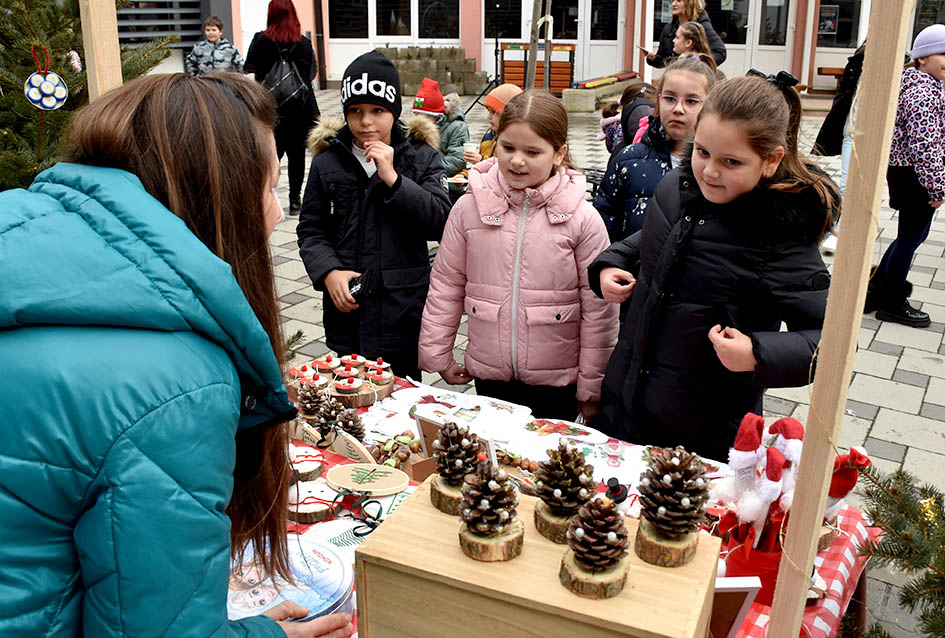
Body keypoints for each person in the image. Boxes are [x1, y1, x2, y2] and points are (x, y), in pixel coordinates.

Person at [0, 73, 352, 638]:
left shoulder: (22, 229)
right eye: (267, 188)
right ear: (222, 199)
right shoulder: (176, 383)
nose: (276, 215)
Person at [591, 73, 839, 462]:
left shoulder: (780, 237)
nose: (709, 171)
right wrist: (614, 260)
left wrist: (758, 353)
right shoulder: (676, 188)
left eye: (731, 162)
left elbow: (834, 341)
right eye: (702, 152)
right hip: (625, 403)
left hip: (702, 434)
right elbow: (655, 235)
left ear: (771, 161)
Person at [418, 90, 618, 422]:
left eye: (533, 151)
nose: (517, 160)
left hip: (557, 383)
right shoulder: (469, 208)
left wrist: (592, 387)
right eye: (508, 147)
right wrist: (438, 354)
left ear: (559, 153)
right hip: (490, 375)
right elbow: (446, 284)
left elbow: (599, 310)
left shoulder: (583, 219)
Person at [297, 51, 450, 380]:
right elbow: (311, 230)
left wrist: (395, 179)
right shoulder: (328, 162)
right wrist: (328, 272)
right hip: (347, 314)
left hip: (401, 313)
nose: (366, 122)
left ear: (394, 111)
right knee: (351, 401)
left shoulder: (421, 157)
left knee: (402, 403)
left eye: (377, 111)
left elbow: (441, 221)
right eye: (355, 111)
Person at [868, 25, 945, 328]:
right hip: (915, 174)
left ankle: (878, 288)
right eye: (942, 53)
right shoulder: (922, 92)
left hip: (913, 173)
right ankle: (892, 301)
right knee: (911, 237)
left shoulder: (929, 85)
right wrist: (937, 186)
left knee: (910, 236)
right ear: (923, 58)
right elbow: (925, 146)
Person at [595, 56, 716, 244]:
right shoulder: (628, 160)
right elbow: (602, 227)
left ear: (710, 105)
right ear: (658, 102)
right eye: (670, 98)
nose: (678, 109)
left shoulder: (719, 169)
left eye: (691, 101)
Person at [245, 0, 321, 215]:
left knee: (270, 155)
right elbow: (311, 74)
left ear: (271, 15)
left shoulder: (260, 40)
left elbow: (251, 69)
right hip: (300, 111)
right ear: (293, 15)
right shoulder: (304, 43)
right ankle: (295, 201)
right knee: (297, 157)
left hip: (271, 110)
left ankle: (266, 197)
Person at [812, 41, 867, 253]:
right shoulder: (856, 64)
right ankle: (835, 231)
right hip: (851, 132)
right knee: (846, 184)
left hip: (877, 137)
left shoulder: (898, 68)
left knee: (863, 188)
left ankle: (853, 232)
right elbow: (843, 98)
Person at [412, 79, 469, 200]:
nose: (419, 119)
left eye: (424, 115)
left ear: (437, 115)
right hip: (420, 185)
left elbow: (457, 160)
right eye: (416, 114)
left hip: (447, 187)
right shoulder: (413, 128)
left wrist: (426, 169)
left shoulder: (457, 128)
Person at [647, 0, 726, 69]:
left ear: (689, 3)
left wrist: (697, 64)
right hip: (674, 76)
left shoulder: (701, 27)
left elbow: (720, 52)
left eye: (679, 0)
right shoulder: (668, 28)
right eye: (673, 0)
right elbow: (663, 59)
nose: (673, 4)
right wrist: (653, 59)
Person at [463, 83, 523, 165]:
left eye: (494, 112)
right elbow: (479, 170)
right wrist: (464, 174)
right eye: (489, 111)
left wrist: (481, 161)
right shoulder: (489, 136)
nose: (489, 117)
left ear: (509, 115)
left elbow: (506, 171)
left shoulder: (515, 142)